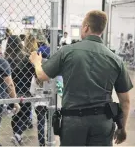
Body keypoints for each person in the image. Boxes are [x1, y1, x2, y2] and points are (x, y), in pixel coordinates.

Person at [29, 10, 133, 146]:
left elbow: (42, 76)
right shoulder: (115, 60)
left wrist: (36, 61)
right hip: (102, 122)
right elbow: (125, 101)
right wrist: (122, 128)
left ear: (86, 27)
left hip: (73, 122)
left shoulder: (67, 51)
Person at [5, 35, 35, 145]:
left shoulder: (6, 60)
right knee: (25, 116)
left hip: (12, 92)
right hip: (26, 91)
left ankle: (17, 136)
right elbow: (34, 73)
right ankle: (17, 135)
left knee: (15, 115)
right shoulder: (26, 58)